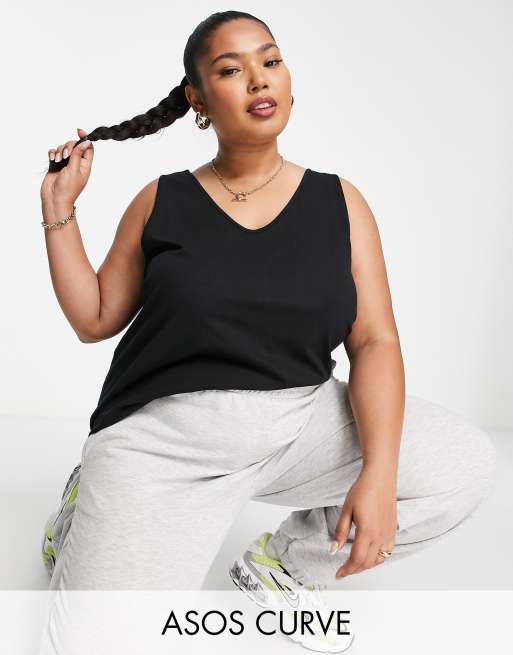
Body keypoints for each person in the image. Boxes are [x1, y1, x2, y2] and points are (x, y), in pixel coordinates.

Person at [37, 10, 496, 654]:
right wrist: (59, 210)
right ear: (198, 100)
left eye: (271, 61)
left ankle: (286, 570)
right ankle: (85, 508)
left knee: (462, 465)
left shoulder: (340, 202)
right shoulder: (162, 200)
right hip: (163, 446)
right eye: (231, 70)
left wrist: (379, 474)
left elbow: (374, 342)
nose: (259, 79)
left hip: (297, 426)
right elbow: (95, 319)